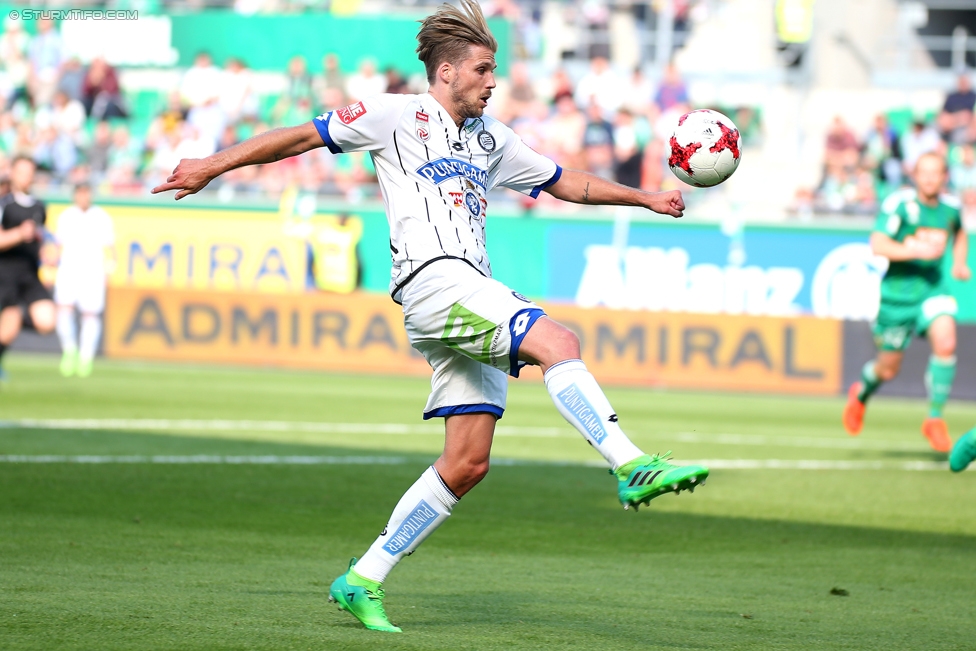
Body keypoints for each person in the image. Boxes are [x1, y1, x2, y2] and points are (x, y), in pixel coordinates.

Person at [152, 0, 708, 633]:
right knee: (558, 339)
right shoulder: (392, 114)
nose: (493, 80)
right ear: (446, 71)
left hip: (468, 287)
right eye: (483, 68)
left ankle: (362, 578)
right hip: (432, 281)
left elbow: (563, 182)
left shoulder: (490, 138)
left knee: (468, 461)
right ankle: (631, 464)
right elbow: (301, 137)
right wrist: (209, 165)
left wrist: (645, 197)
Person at [843, 152, 970, 452]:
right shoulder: (899, 204)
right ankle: (861, 393)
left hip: (932, 290)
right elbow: (878, 244)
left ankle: (935, 418)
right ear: (914, 175)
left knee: (947, 342)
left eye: (935, 172)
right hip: (897, 298)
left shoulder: (951, 208)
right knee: (887, 369)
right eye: (923, 172)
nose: (928, 178)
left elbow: (961, 232)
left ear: (944, 177)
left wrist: (959, 263)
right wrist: (917, 252)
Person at [0, 156, 55, 383]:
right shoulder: (4, 203)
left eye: (30, 171)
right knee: (7, 332)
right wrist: (19, 234)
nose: (27, 176)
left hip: (30, 274)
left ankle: (15, 316)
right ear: (12, 173)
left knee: (47, 321)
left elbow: (39, 238)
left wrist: (45, 252)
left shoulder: (39, 206)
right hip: (5, 273)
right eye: (22, 171)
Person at [53, 183, 114, 378]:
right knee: (64, 309)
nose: (83, 198)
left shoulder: (101, 216)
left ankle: (86, 357)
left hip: (93, 271)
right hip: (69, 269)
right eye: (80, 194)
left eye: (87, 194)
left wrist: (110, 270)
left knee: (91, 314)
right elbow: (56, 245)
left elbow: (111, 247)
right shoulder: (66, 216)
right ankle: (69, 350)